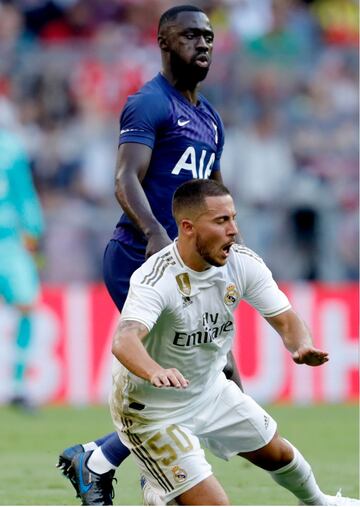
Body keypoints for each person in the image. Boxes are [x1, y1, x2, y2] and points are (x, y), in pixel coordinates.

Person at [57, 4, 243, 505]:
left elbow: (213, 192)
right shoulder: (148, 103)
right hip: (138, 258)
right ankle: (118, 467)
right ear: (164, 42)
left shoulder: (209, 118)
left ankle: (108, 461)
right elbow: (124, 179)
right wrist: (156, 233)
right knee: (188, 378)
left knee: (202, 375)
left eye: (207, 37)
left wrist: (230, 244)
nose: (202, 44)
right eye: (189, 36)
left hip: (186, 268)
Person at [110, 178, 359, 506]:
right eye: (221, 220)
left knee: (277, 452)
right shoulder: (156, 278)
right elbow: (124, 340)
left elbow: (286, 319)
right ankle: (158, 486)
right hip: (152, 410)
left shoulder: (241, 264)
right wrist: (154, 370)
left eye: (233, 218)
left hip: (209, 390)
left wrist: (300, 344)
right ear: (188, 227)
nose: (233, 230)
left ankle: (317, 502)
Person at [0, 126, 44, 409]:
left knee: (27, 307)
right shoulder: (12, 145)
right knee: (26, 308)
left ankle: (19, 386)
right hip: (10, 244)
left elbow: (23, 190)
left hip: (9, 241)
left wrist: (32, 229)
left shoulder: (11, 146)